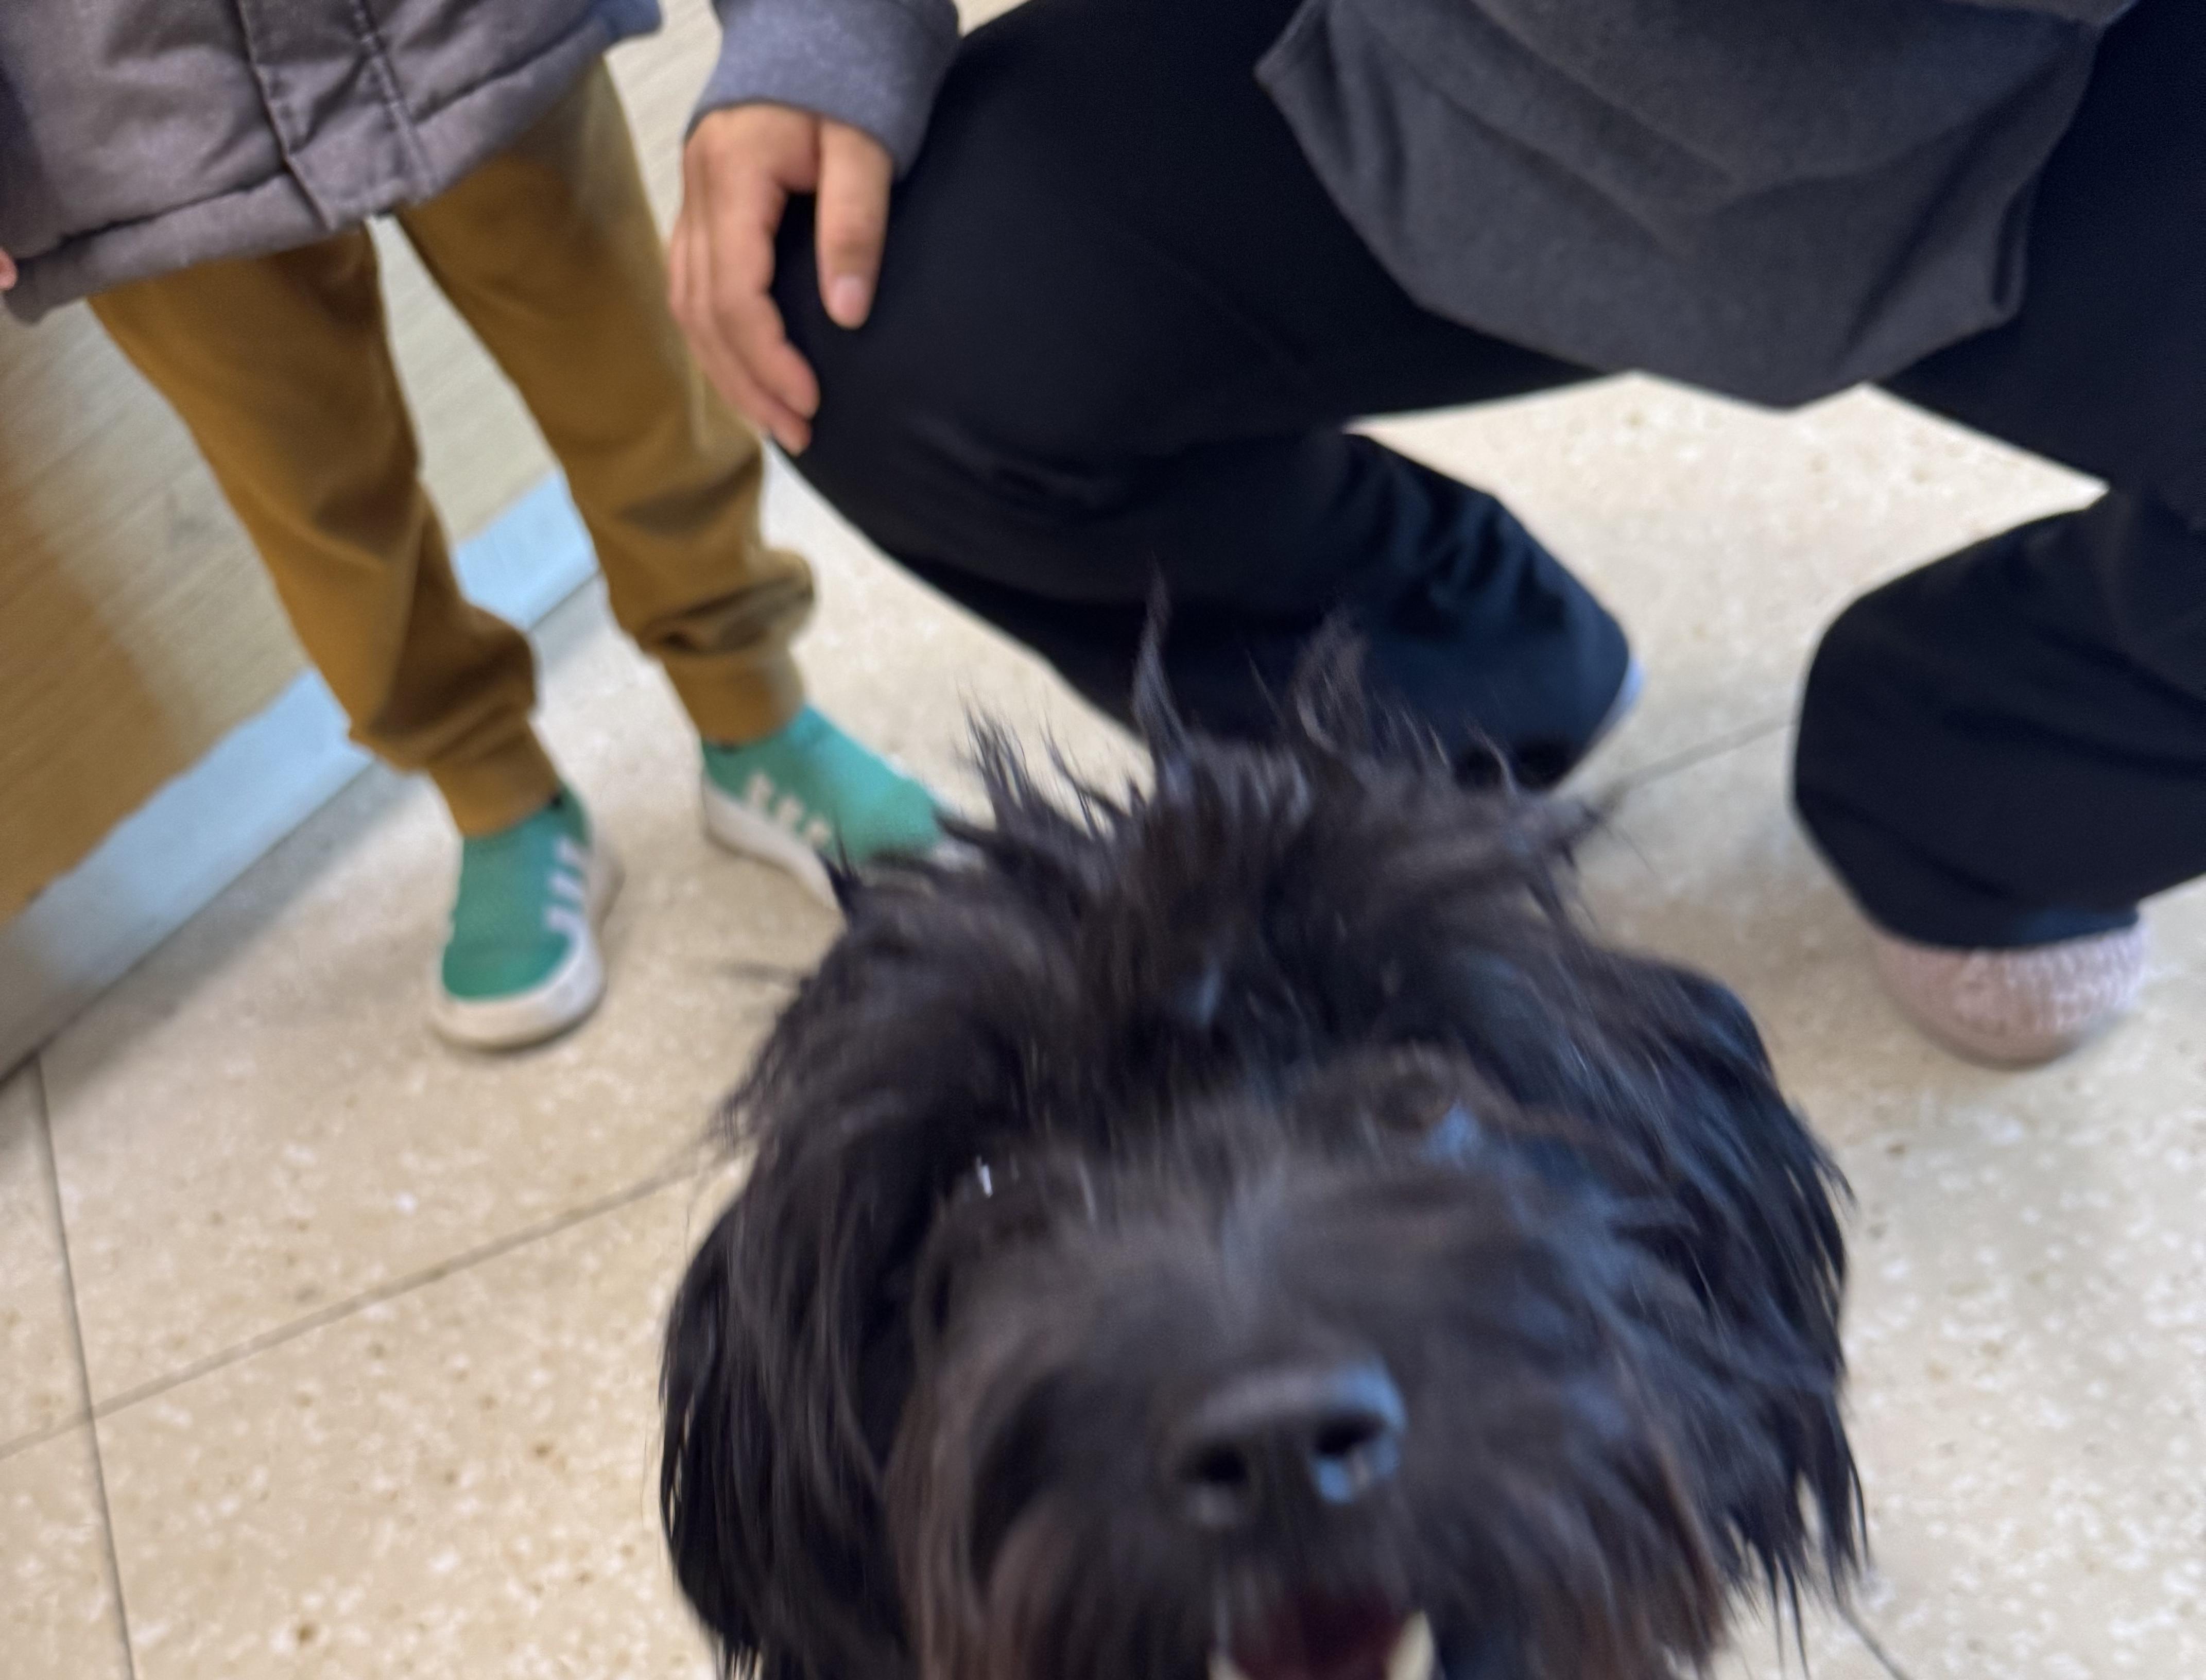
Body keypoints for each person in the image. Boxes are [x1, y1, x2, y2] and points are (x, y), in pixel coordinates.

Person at [666, 0, 2196, 1069]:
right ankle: (1459, 681)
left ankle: (1977, 776)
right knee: (855, 315)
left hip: (2083, 93)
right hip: (1415, 62)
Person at [0, 7, 937, 1050]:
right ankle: (497, 798)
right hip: (111, 107)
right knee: (315, 506)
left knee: (632, 375)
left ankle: (754, 715)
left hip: (460, 26)